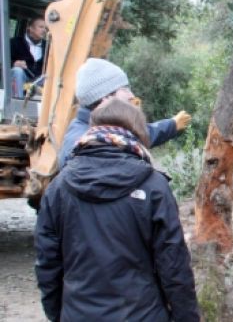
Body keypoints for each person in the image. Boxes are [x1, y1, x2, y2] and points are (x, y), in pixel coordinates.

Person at [35, 98, 200, 321]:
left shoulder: (58, 188)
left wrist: (58, 314)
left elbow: (48, 265)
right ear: (139, 132)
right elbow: (174, 266)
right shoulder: (154, 187)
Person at [58, 58, 191, 168]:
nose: (131, 95)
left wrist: (171, 125)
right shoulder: (85, 146)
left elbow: (136, 135)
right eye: (125, 89)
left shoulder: (102, 129)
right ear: (106, 98)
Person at [10, 16, 47, 98]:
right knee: (17, 71)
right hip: (21, 81)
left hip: (37, 83)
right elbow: (3, 60)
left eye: (45, 28)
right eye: (41, 27)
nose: (44, 30)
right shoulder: (15, 42)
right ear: (30, 28)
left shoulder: (48, 46)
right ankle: (17, 102)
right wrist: (14, 63)